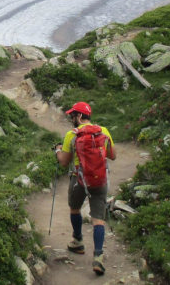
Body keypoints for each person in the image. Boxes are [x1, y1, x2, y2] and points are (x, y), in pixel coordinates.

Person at [54, 101, 116, 275]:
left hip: (78, 179)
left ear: (80, 116)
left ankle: (78, 241)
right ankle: (98, 257)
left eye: (73, 115)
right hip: (100, 179)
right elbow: (113, 155)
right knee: (98, 219)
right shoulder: (103, 131)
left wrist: (57, 150)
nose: (72, 118)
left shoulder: (71, 135)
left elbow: (64, 161)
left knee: (74, 209)